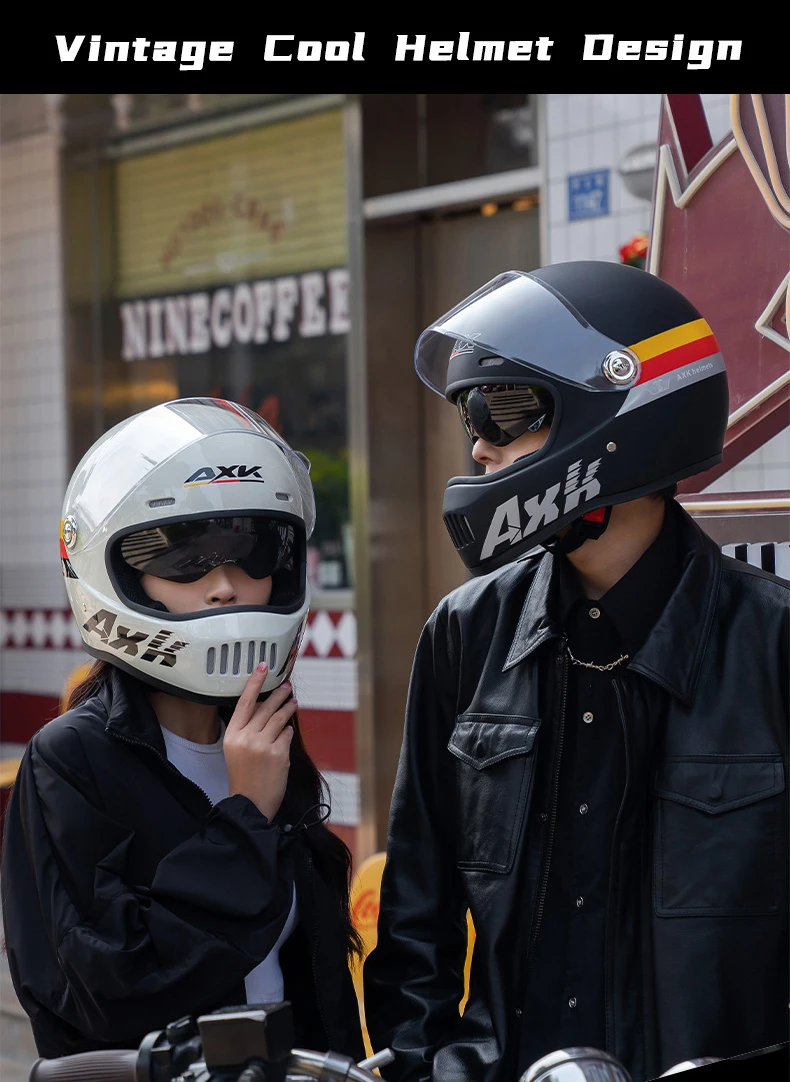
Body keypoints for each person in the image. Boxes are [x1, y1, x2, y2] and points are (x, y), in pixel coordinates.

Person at [363, 261, 789, 1082]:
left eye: (506, 411)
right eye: (470, 416)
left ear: (626, 410)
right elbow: (416, 924)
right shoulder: (464, 634)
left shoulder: (771, 644)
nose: (479, 445)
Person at [1, 397, 365, 1062]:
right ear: (117, 572)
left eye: (252, 552)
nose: (225, 585)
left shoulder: (265, 732)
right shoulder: (72, 760)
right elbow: (109, 990)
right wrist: (243, 818)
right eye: (184, 557)